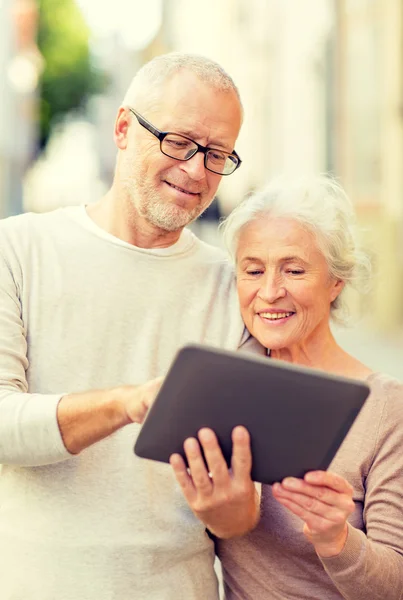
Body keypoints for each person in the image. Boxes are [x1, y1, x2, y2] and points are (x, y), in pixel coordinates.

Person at [0, 52, 259, 600]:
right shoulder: (18, 249)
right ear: (123, 128)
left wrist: (234, 509)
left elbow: (239, 516)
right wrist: (127, 403)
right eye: (180, 142)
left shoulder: (233, 286)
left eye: (217, 154)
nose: (196, 171)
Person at [209, 175, 403, 599]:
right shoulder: (227, 388)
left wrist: (337, 539)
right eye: (253, 270)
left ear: (336, 282)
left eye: (294, 270)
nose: (270, 292)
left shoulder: (387, 409)